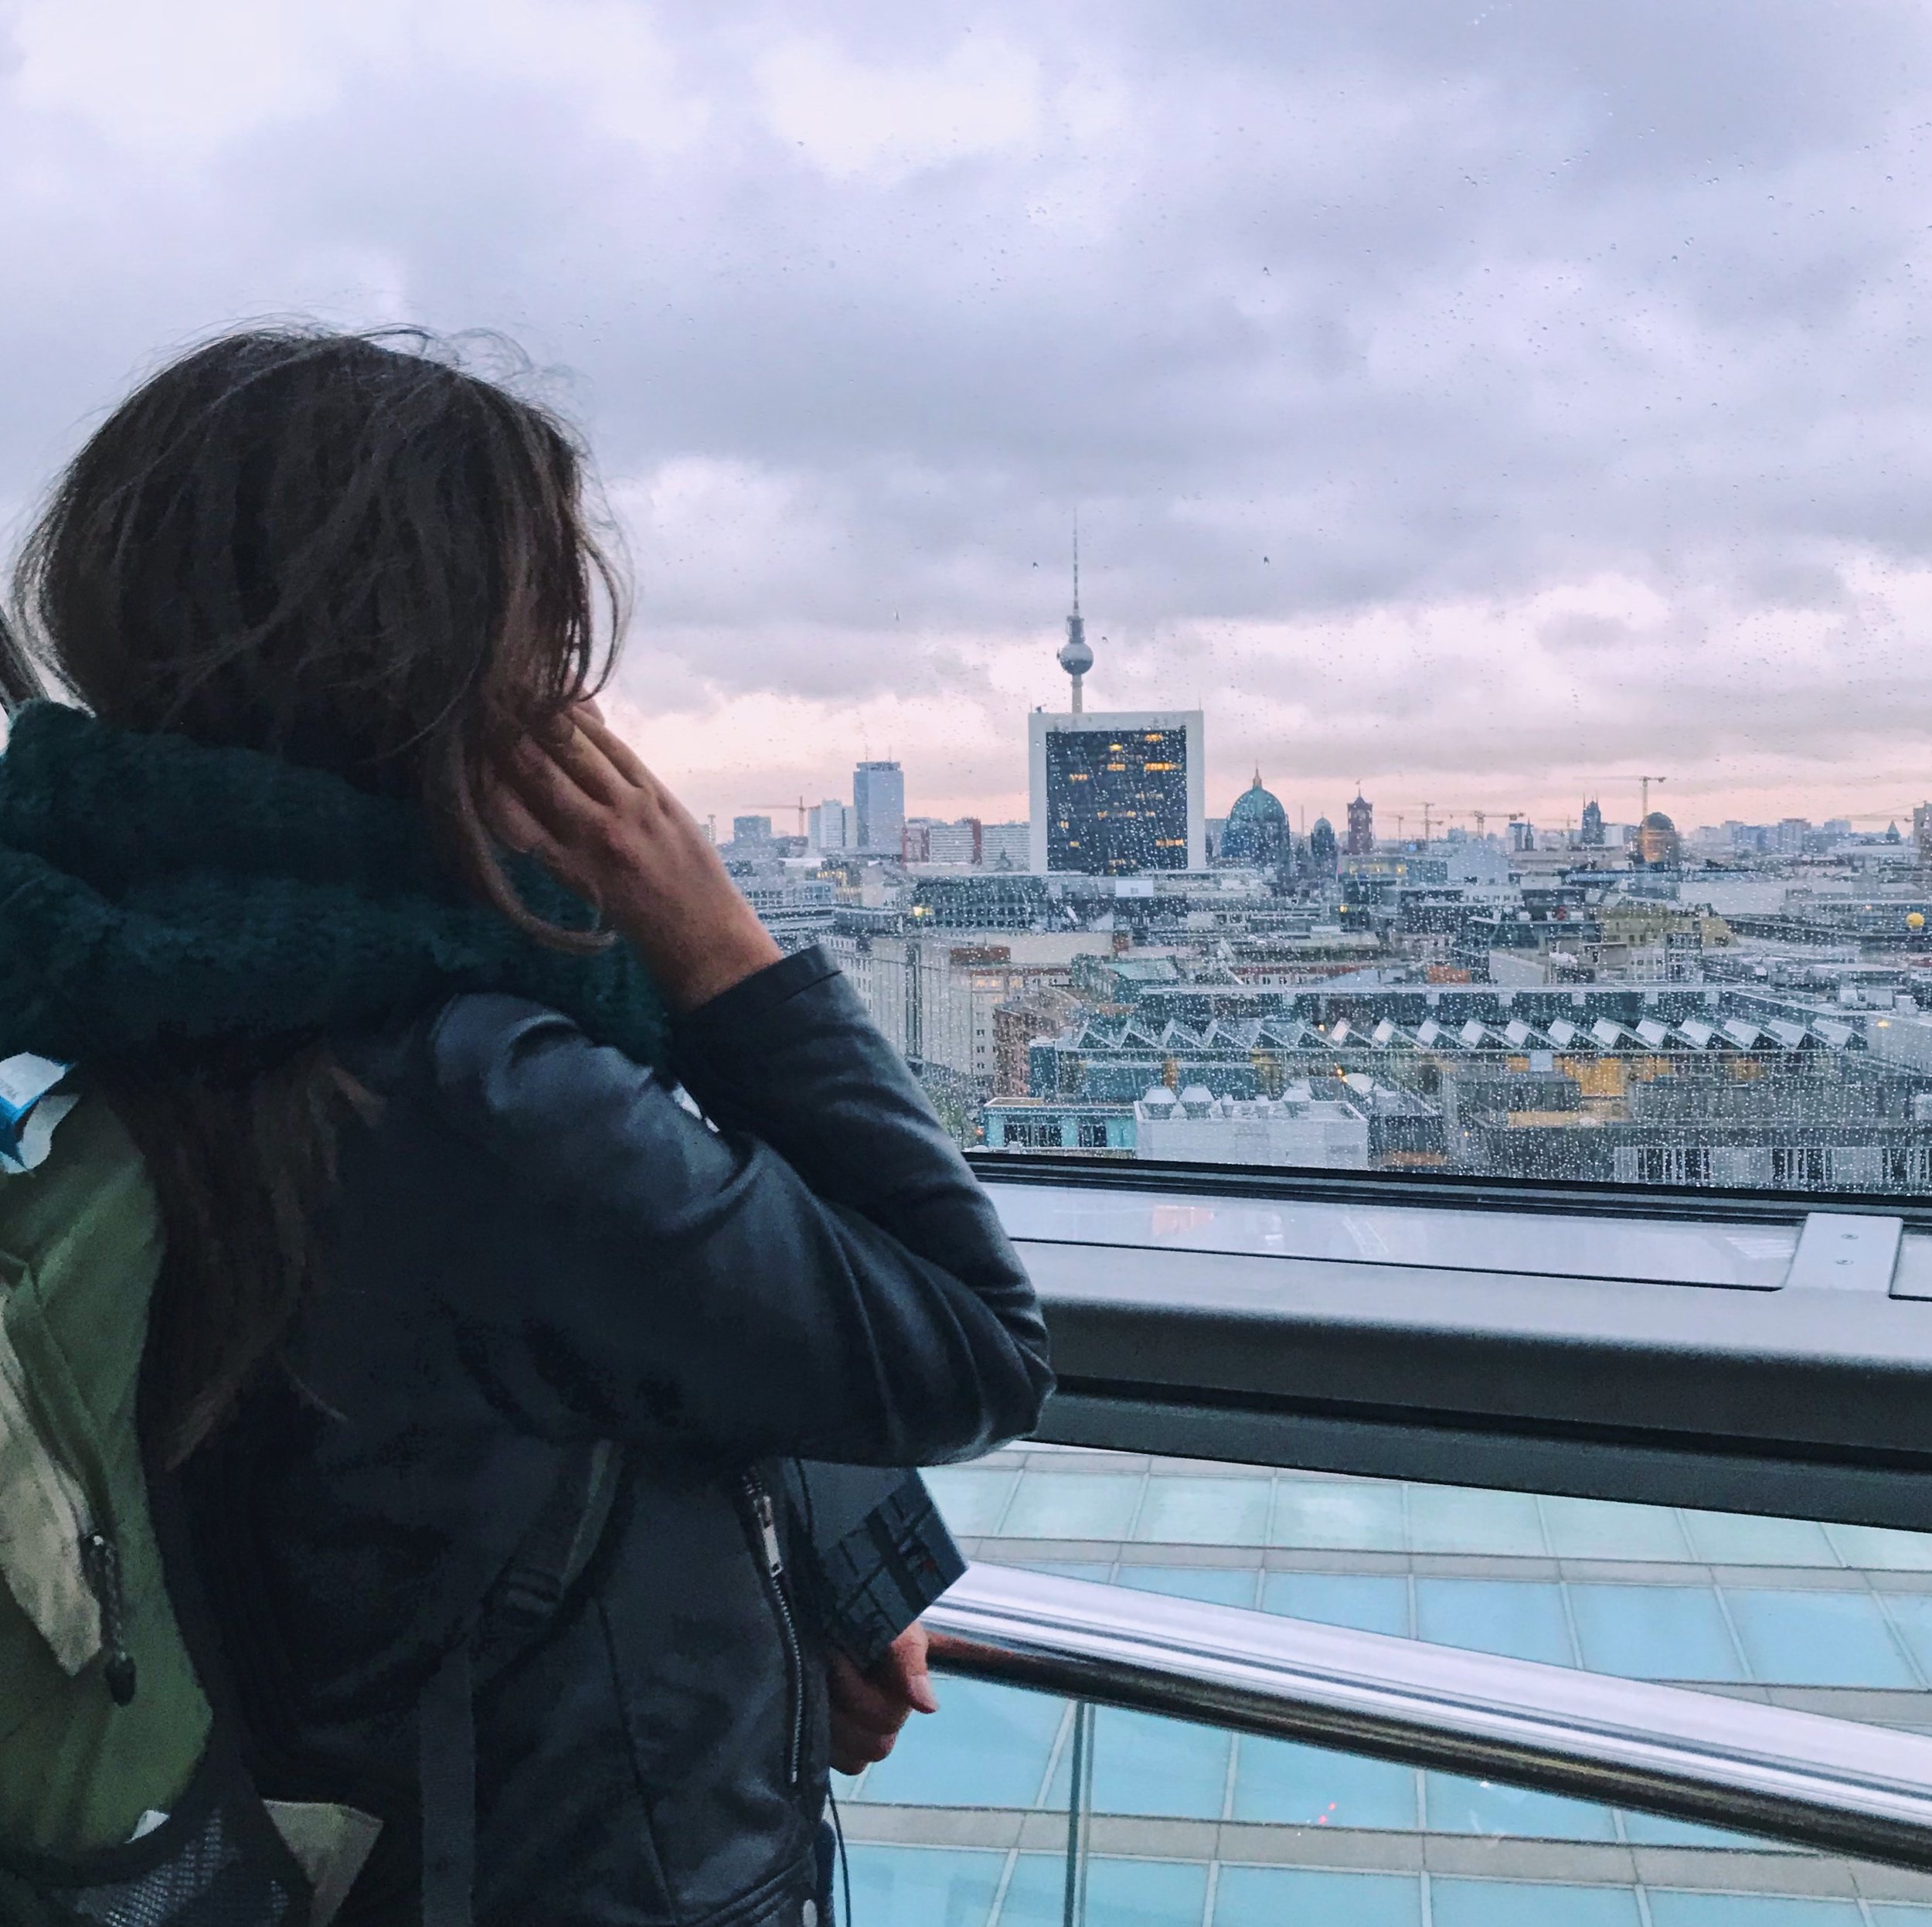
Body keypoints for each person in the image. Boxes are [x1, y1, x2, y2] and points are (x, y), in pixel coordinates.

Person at [0, 328, 1053, 1924]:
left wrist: (843, 1568)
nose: (568, 686)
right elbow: (968, 1342)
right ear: (428, 667)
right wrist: (725, 958)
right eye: (541, 627)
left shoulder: (95, 974)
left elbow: (615, 1316)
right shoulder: (473, 1082)